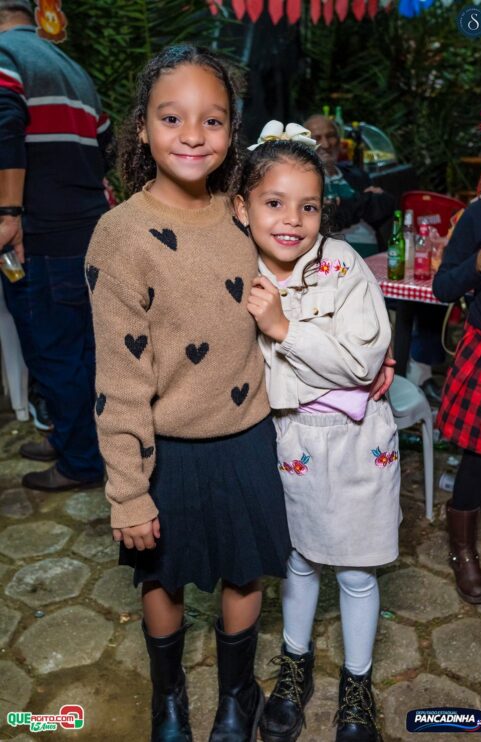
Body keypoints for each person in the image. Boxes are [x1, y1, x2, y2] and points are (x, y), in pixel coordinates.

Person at [86, 46, 292, 742]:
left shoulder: (245, 218)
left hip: (245, 437)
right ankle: (168, 697)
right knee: (161, 580)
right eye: (172, 118)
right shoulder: (120, 236)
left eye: (214, 119)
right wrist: (128, 492)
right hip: (164, 450)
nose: (194, 135)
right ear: (141, 128)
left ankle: (237, 696)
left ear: (233, 131)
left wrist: (357, 349)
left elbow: (307, 272)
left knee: (244, 574)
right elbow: (119, 378)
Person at [234, 124, 401, 742]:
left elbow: (361, 362)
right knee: (299, 563)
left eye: (308, 207)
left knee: (356, 572)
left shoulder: (343, 263)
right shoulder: (234, 268)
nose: (292, 220)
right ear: (242, 207)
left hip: (358, 443)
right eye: (274, 202)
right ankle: (295, 667)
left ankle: (357, 685)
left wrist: (284, 329)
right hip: (288, 441)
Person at [0, 0, 112, 488]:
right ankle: (73, 439)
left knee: (54, 352)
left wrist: (8, 213)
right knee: (82, 350)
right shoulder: (70, 66)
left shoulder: (5, 55)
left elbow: (4, 126)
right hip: (88, 230)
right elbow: (105, 140)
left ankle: (81, 461)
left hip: (40, 232)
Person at [432, 115, 481, 606]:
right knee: (480, 453)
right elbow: (442, 287)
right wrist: (474, 266)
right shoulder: (480, 217)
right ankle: (462, 550)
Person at [304, 114, 395, 258]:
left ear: (339, 140)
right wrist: (364, 199)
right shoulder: (302, 180)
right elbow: (327, 221)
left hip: (371, 252)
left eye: (331, 136)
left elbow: (385, 205)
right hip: (328, 255)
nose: (326, 144)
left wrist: (343, 204)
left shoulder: (355, 174)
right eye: (317, 138)